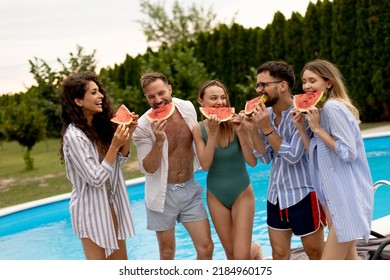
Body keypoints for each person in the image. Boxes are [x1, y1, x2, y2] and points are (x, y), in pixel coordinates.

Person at [240, 61, 326, 260]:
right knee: (278, 255)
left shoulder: (302, 113)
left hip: (304, 193)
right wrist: (253, 129)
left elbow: (293, 155)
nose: (259, 90)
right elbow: (264, 157)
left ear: (282, 85)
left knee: (315, 253)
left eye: (264, 85)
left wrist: (266, 128)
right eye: (258, 85)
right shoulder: (266, 114)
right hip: (275, 195)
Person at [291, 59, 374, 259]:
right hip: (334, 194)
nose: (307, 86)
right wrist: (304, 129)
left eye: (313, 80)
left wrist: (317, 129)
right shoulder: (321, 111)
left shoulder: (332, 109)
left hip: (346, 195)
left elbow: (348, 153)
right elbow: (318, 155)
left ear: (328, 83)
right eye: (304, 81)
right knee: (350, 260)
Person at [132, 72, 214, 260]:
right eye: (151, 96)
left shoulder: (187, 107)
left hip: (189, 188)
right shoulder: (143, 126)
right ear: (146, 97)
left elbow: (201, 135)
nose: (158, 100)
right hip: (162, 195)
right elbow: (148, 168)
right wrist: (159, 141)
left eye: (161, 93)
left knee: (206, 247)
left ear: (170, 89)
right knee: (167, 253)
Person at [59, 71, 137, 260]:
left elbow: (119, 161)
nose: (101, 95)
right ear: (78, 101)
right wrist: (114, 145)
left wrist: (128, 134)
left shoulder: (99, 127)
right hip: (90, 211)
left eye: (99, 91)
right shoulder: (74, 136)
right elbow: (95, 179)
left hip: (111, 205)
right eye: (93, 92)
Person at [192, 80, 263, 260]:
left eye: (223, 98)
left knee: (240, 257)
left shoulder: (236, 122)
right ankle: (253, 250)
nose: (220, 102)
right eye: (213, 98)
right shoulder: (198, 129)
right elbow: (205, 165)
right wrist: (214, 134)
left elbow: (252, 162)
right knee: (231, 256)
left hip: (242, 193)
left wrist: (241, 131)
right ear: (201, 102)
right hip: (216, 196)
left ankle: (253, 251)